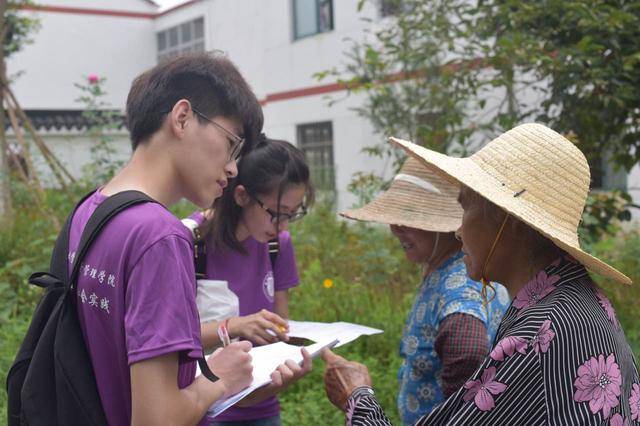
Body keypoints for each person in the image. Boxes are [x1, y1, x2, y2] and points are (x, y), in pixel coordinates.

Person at [322, 123, 640, 425]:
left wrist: (356, 396)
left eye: (466, 208)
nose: (458, 230)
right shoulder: (576, 298)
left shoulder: (538, 336)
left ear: (509, 220)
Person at [68, 53, 308, 426]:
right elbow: (156, 420)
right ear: (182, 118)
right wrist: (219, 377)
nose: (232, 167)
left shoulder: (91, 210)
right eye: (231, 144)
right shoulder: (160, 236)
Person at [340, 157, 509, 423]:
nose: (395, 228)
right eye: (395, 217)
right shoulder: (449, 267)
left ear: (442, 226)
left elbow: (468, 350)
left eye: (408, 218)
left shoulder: (458, 287)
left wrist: (458, 416)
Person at [187, 136, 314, 425]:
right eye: (276, 214)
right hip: (206, 407)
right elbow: (171, 339)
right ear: (242, 196)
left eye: (291, 216)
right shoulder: (191, 242)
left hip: (262, 407)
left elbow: (281, 325)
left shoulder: (277, 244)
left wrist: (291, 358)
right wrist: (234, 327)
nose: (282, 227)